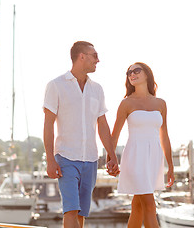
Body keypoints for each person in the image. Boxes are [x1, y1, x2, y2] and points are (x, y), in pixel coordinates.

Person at [43, 41, 119, 228]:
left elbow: (102, 125)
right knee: (71, 210)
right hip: (66, 157)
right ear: (81, 56)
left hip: (91, 160)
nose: (98, 60)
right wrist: (50, 159)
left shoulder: (97, 89)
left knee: (81, 215)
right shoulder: (56, 85)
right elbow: (48, 125)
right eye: (94, 55)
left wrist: (112, 155)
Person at [110, 62, 175, 228]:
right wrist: (111, 159)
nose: (132, 74)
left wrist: (171, 166)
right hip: (134, 157)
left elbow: (164, 136)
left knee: (137, 206)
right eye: (129, 72)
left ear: (147, 74)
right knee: (150, 204)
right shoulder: (126, 103)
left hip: (154, 157)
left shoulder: (161, 103)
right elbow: (114, 135)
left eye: (136, 70)